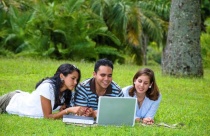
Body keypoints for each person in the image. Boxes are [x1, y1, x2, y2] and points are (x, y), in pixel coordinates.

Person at [0, 63, 86, 119]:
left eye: (77, 80)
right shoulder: (47, 87)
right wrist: (68, 110)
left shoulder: (66, 92)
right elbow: (48, 117)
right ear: (62, 76)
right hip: (10, 101)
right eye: (73, 78)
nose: (75, 82)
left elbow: (60, 111)